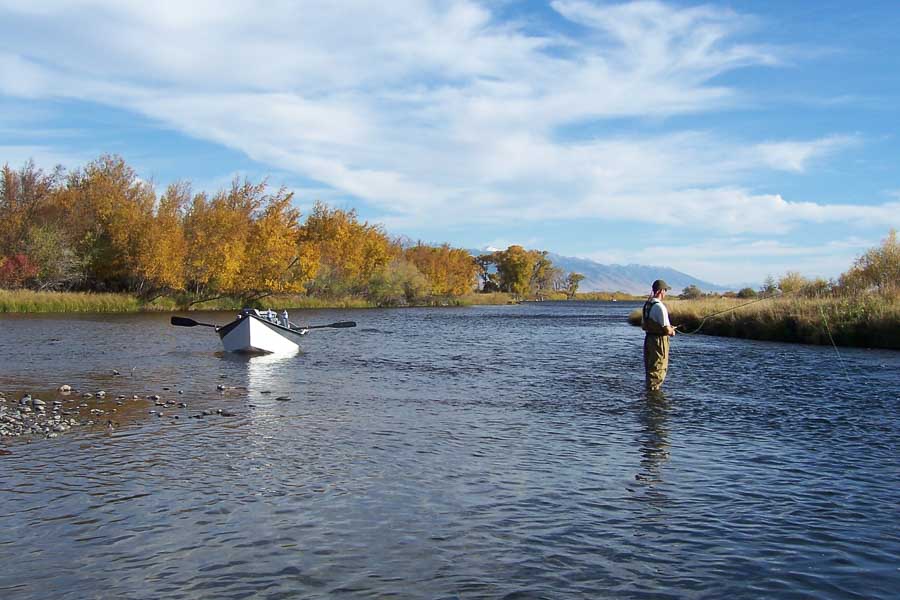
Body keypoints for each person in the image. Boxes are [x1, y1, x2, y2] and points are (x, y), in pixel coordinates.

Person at [642, 279, 676, 391]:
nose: (666, 292)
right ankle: (654, 400)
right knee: (658, 370)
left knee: (650, 370)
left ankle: (649, 396)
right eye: (665, 290)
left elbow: (644, 326)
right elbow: (667, 330)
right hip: (659, 342)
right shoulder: (660, 307)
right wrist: (672, 331)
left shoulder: (647, 305)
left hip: (649, 340)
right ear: (661, 291)